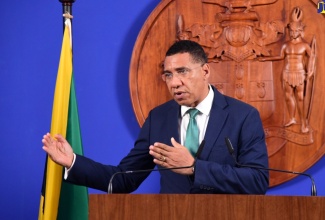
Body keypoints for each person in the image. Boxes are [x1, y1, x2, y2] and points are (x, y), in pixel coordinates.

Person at [42, 40, 269, 194]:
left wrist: (194, 167)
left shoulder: (243, 116)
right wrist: (73, 162)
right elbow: (124, 179)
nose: (174, 83)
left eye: (182, 72)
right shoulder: (159, 118)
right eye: (168, 75)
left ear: (206, 71)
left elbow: (257, 181)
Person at [259, 7, 315, 133]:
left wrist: (310, 70)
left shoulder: (305, 45)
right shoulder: (286, 45)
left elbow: (312, 57)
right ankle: (292, 118)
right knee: (288, 96)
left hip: (300, 73)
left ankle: (304, 123)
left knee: (300, 97)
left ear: (300, 31)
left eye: (295, 31)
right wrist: (266, 58)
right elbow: (280, 57)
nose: (292, 33)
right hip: (287, 72)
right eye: (291, 30)